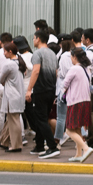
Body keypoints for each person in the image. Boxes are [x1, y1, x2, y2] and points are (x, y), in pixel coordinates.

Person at [25, 30, 59, 158]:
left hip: (40, 90)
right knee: (42, 118)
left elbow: (35, 71)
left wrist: (29, 89)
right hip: (51, 90)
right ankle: (39, 145)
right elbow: (56, 73)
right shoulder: (52, 54)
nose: (33, 40)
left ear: (38, 39)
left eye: (34, 38)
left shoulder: (37, 54)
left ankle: (52, 146)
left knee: (40, 119)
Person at [61, 48, 93, 163]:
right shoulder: (87, 69)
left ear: (74, 56)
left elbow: (65, 83)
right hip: (85, 101)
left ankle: (85, 148)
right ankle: (78, 154)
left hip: (75, 101)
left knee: (69, 130)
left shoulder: (74, 68)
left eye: (71, 56)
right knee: (77, 129)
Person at [0, 42, 27, 153]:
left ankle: (16, 145)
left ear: (10, 52)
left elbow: (0, 79)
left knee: (14, 121)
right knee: (11, 119)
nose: (3, 53)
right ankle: (3, 141)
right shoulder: (19, 62)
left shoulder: (9, 64)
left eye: (5, 51)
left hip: (11, 95)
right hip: (18, 94)